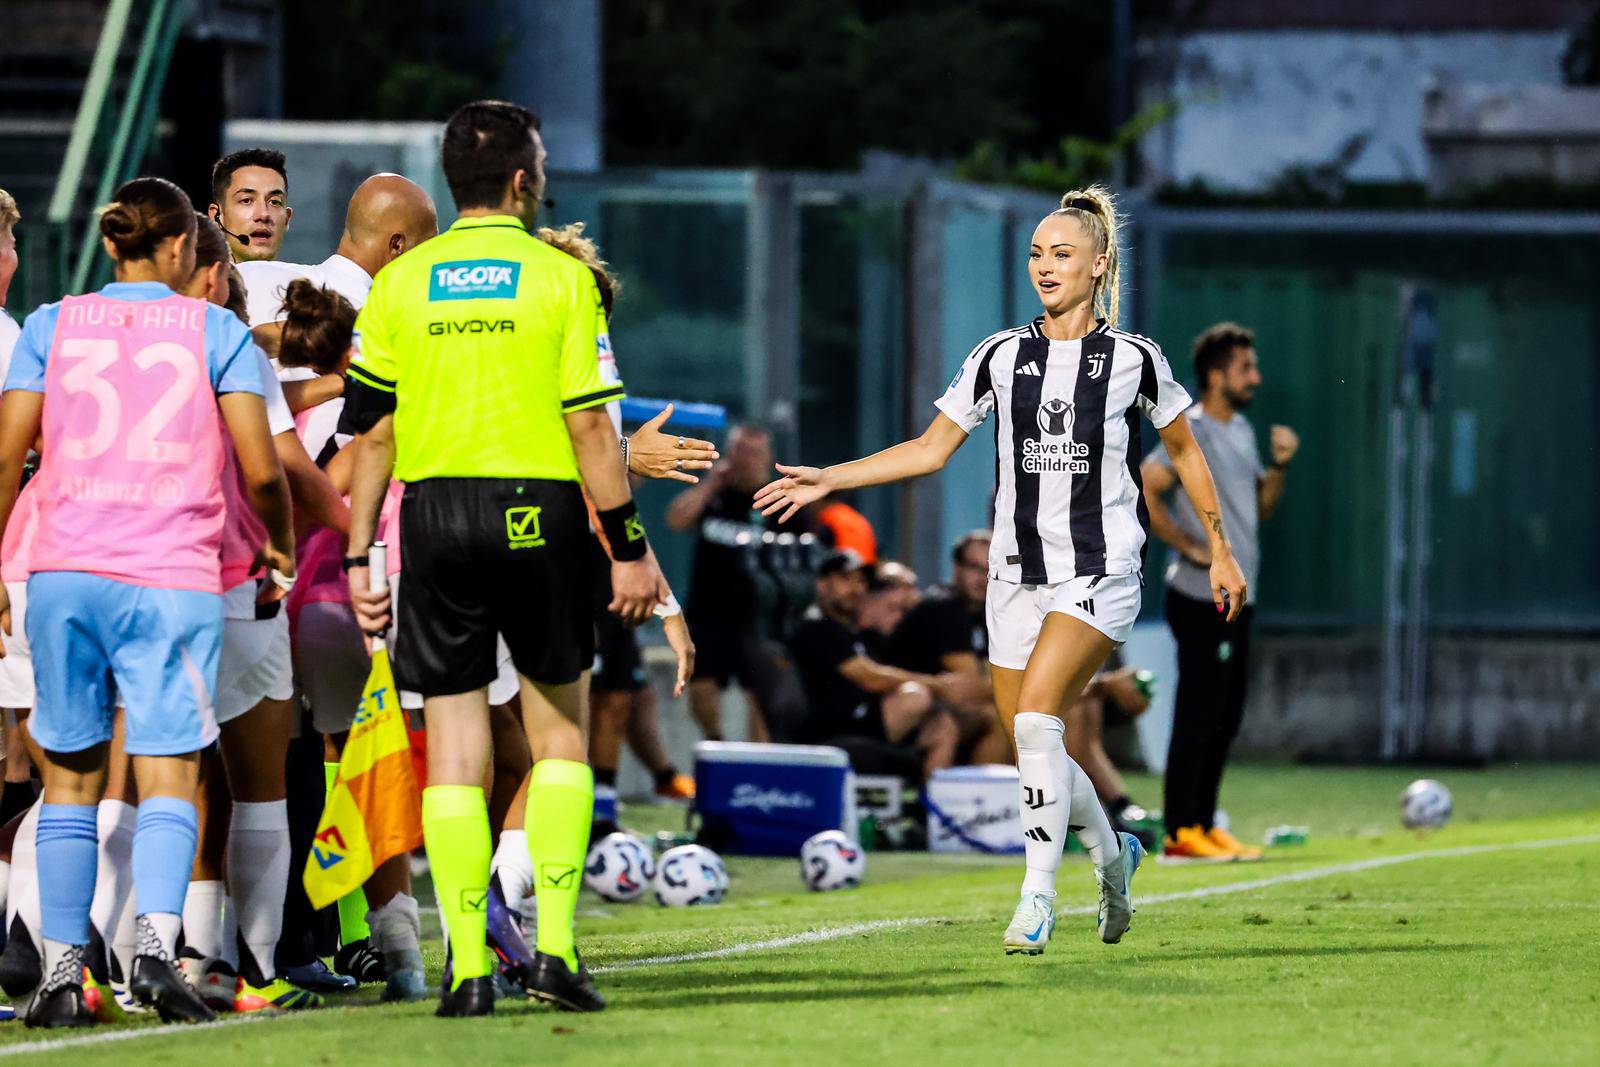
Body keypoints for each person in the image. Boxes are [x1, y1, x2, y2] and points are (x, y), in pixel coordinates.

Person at [756, 185, 1247, 956]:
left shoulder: (1134, 359)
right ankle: (1114, 857)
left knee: (1039, 718)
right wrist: (830, 477)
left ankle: (1035, 897)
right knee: (1034, 741)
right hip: (1014, 574)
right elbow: (927, 449)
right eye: (1035, 254)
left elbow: (1184, 451)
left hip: (1100, 569)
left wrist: (1219, 547)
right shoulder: (998, 355)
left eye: (1061, 254)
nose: (1044, 267)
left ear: (1098, 265)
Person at [341, 100, 668, 1017]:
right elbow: (591, 424)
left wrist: (362, 555)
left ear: (452, 181)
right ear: (524, 180)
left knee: (453, 743)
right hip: (539, 509)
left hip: (435, 517)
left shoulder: (402, 284)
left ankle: (468, 966)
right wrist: (631, 546)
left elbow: (373, 435)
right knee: (559, 730)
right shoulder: (558, 276)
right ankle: (556, 951)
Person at [0, 177, 295, 1027]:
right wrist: (274, 542)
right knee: (171, 770)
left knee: (69, 778)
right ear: (180, 250)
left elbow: (9, 450)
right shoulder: (213, 327)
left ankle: (62, 971)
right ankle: (157, 955)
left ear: (109, 245)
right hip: (170, 570)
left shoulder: (52, 324)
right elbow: (264, 466)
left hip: (63, 569)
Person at [176, 216, 338, 1013]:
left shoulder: (80, 330)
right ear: (212, 273)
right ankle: (256, 967)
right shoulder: (226, 341)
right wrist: (345, 533)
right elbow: (286, 471)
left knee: (130, 786)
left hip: (110, 572)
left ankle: (134, 961)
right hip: (233, 576)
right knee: (258, 782)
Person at [1141, 321, 1298, 862]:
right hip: (1197, 595)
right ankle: (1181, 832)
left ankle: (1205, 824)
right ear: (1216, 375)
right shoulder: (1198, 427)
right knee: (1198, 711)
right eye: (1244, 368)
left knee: (1225, 714)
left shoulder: (1241, 430)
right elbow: (1147, 486)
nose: (1254, 377)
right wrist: (1190, 546)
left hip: (1239, 597)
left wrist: (1278, 466)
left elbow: (1261, 508)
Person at [787, 551, 963, 780]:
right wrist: (939, 685)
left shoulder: (862, 634)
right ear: (822, 585)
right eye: (844, 579)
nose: (855, 588)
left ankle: (930, 810)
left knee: (944, 724)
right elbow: (870, 678)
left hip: (867, 721)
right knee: (914, 697)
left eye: (860, 580)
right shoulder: (817, 627)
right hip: (833, 727)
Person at [666, 424, 790, 743]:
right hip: (708, 613)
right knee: (701, 688)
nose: (745, 460)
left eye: (754, 453)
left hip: (758, 620)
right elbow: (675, 520)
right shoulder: (715, 496)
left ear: (768, 457)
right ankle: (718, 744)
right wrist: (711, 484)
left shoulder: (779, 501)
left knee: (760, 698)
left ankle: (757, 766)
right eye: (740, 451)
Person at [881, 530, 1010, 764]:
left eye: (989, 569)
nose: (982, 578)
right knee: (998, 717)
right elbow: (971, 685)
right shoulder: (943, 608)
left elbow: (991, 677)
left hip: (944, 706)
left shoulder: (983, 613)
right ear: (956, 568)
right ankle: (977, 797)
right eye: (974, 567)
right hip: (907, 707)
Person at [208, 148, 292, 263]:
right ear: (216, 217)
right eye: (246, 200)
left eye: (274, 202)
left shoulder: (311, 279)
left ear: (287, 219)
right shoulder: (193, 280)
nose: (264, 214)